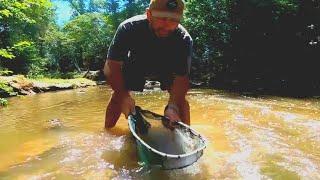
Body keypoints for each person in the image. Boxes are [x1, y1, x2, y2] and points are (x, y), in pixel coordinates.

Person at [103, 0, 192, 128]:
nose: (167, 25)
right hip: (135, 64)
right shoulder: (128, 28)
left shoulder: (184, 39)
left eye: (174, 20)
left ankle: (186, 138)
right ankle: (107, 131)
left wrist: (172, 106)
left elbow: (181, 78)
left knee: (180, 102)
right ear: (149, 14)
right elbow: (112, 66)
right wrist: (123, 96)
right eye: (162, 18)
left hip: (167, 66)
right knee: (118, 97)